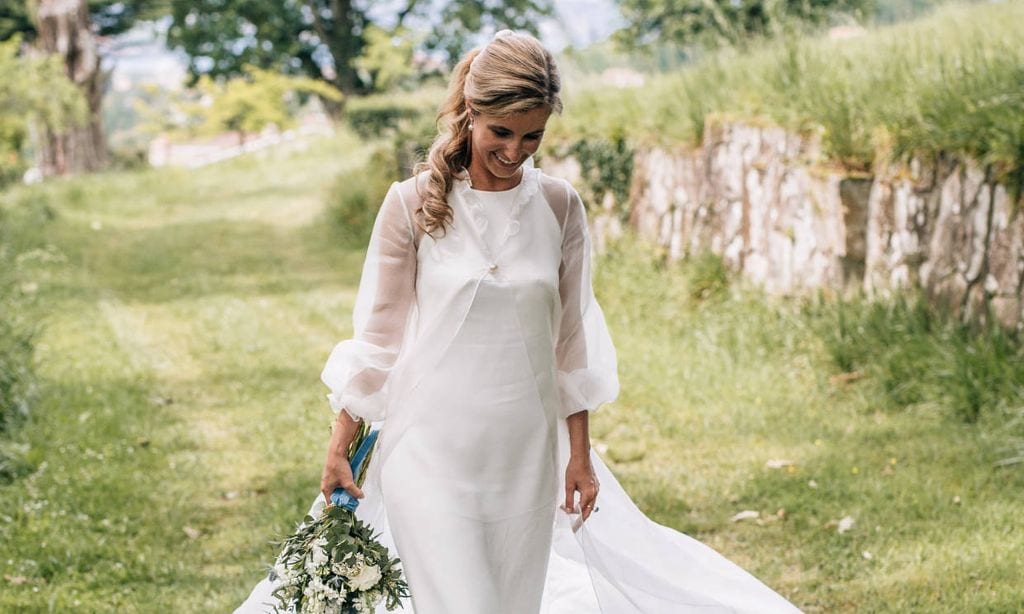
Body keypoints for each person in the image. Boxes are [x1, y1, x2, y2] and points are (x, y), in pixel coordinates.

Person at [235, 30, 802, 614]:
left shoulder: (560, 207)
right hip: (429, 453)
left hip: (525, 457)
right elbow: (377, 341)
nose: (515, 150)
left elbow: (571, 344)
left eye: (533, 135)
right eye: (500, 132)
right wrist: (339, 447)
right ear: (469, 112)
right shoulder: (410, 203)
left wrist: (577, 455)